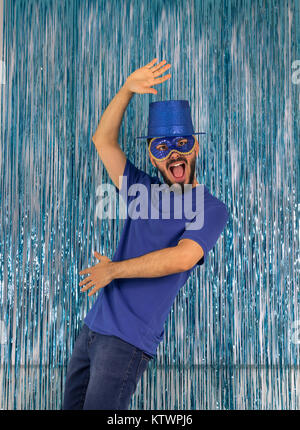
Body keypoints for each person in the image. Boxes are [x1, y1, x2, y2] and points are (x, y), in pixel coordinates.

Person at [62, 58, 229, 410]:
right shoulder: (141, 189)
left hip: (126, 341)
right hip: (93, 329)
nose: (173, 155)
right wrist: (125, 90)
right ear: (153, 158)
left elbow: (183, 257)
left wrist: (114, 270)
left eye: (181, 144)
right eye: (161, 148)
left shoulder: (210, 208)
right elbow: (103, 141)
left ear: (195, 147)